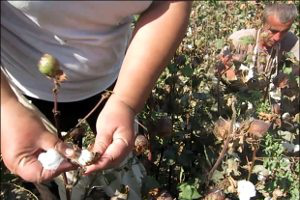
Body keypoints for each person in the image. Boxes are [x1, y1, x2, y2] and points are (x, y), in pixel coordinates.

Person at [1, 1, 192, 199]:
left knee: (128, 174)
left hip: (120, 82)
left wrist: (126, 101)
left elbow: (170, 4)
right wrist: (5, 108)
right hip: (23, 100)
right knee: (51, 186)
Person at [216, 3, 299, 115]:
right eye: (273, 31)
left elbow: (292, 72)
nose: (277, 38)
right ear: (263, 23)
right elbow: (221, 75)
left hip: (271, 105)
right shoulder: (239, 41)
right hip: (237, 100)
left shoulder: (291, 42)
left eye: (284, 31)